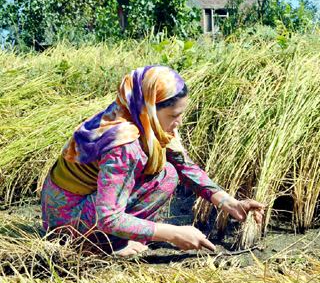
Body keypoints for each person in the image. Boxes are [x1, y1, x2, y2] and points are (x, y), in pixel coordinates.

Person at [40, 65, 265, 256]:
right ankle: (100, 245)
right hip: (66, 222)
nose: (178, 123)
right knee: (164, 177)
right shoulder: (124, 143)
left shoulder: (136, 116)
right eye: (173, 116)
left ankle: (113, 239)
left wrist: (227, 202)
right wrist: (172, 233)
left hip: (70, 205)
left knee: (168, 173)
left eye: (181, 114)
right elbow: (108, 217)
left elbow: (183, 164)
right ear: (149, 108)